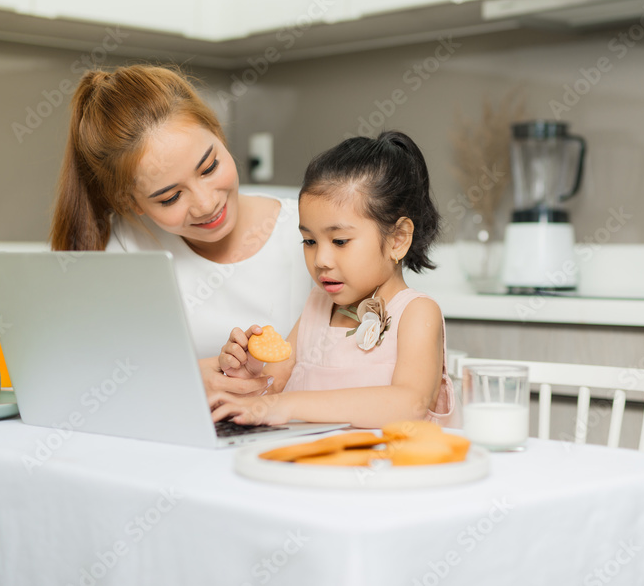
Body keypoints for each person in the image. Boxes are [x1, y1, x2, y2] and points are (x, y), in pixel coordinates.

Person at [49, 64, 312, 397]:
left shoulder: (308, 234)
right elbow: (85, 365)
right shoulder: (126, 246)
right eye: (171, 196)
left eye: (209, 167)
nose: (205, 204)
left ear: (218, 132)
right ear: (131, 202)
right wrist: (190, 378)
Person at [211, 131, 455, 429]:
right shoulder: (316, 307)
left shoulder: (416, 314)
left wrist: (286, 405)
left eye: (339, 241)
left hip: (387, 470)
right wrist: (247, 373)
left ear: (398, 239)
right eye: (309, 242)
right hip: (315, 467)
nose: (321, 260)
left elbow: (410, 404)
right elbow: (269, 391)